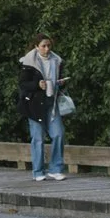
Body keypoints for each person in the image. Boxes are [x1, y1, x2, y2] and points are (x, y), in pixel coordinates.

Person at [22, 34, 64, 181]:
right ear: (36, 47)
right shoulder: (28, 63)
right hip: (34, 105)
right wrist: (36, 85)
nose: (47, 49)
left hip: (51, 103)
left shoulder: (56, 60)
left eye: (48, 46)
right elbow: (22, 84)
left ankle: (55, 169)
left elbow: (58, 78)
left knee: (58, 134)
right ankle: (38, 171)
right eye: (43, 46)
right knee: (38, 138)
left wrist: (60, 83)